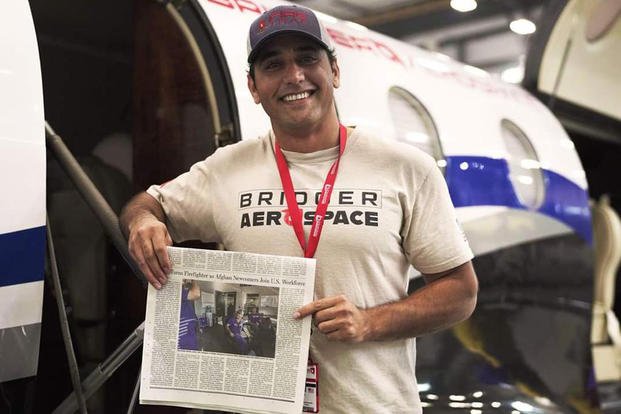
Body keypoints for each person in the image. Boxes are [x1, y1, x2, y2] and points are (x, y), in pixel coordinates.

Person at [120, 4, 478, 413]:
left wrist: (368, 322)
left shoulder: (405, 168)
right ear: (253, 87)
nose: (294, 76)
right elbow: (148, 202)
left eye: (307, 59)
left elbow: (461, 291)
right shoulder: (226, 169)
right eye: (274, 65)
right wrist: (144, 220)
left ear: (335, 71)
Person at [178, 279, 200, 351]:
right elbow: (196, 294)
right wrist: (194, 279)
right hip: (184, 336)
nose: (184, 282)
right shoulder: (177, 291)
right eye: (183, 280)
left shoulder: (184, 293)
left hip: (190, 331)